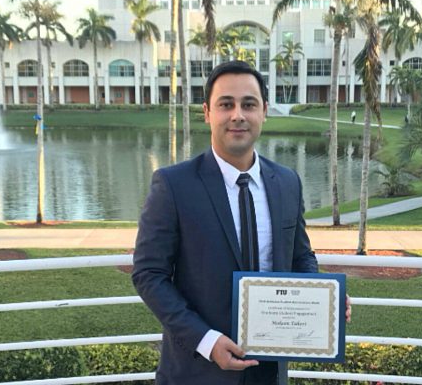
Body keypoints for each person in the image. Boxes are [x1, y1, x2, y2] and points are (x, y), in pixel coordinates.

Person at [133, 60, 350, 385]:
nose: (237, 115)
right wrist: (206, 341)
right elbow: (149, 274)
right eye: (226, 105)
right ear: (207, 112)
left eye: (248, 104)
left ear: (264, 111)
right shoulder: (173, 185)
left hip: (269, 371)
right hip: (197, 371)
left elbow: (300, 256)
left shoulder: (288, 182)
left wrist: (322, 298)